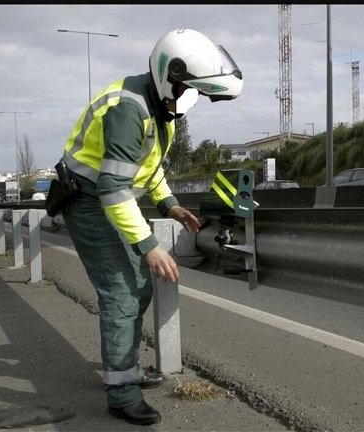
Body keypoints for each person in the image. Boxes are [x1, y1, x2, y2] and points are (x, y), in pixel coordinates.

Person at [59, 28, 243, 426]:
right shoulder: (131, 110)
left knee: (139, 285)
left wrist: (170, 204)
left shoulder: (163, 109)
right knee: (122, 294)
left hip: (106, 197)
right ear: (168, 77)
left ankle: (124, 369)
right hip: (89, 202)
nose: (191, 99)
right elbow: (112, 187)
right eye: (189, 90)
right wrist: (148, 244)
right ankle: (121, 391)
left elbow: (150, 166)